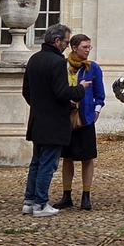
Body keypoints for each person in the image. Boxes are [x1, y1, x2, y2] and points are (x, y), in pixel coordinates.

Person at [21, 22, 79, 217]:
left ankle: (29, 201)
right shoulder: (57, 62)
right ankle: (40, 203)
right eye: (66, 41)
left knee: (37, 162)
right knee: (48, 164)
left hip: (38, 119)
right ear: (57, 41)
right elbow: (62, 92)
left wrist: (40, 106)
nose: (67, 45)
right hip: (53, 122)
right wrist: (80, 90)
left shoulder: (34, 59)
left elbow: (26, 91)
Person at [58, 33, 105, 210]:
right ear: (74, 47)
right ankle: (66, 194)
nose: (87, 50)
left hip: (85, 118)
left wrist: (96, 110)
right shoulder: (63, 66)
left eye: (89, 47)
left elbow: (100, 94)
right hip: (65, 117)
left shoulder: (92, 68)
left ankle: (86, 195)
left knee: (87, 157)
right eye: (85, 47)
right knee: (67, 157)